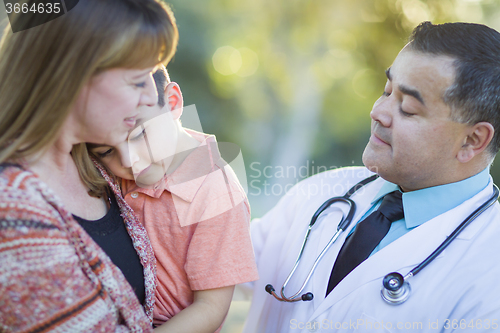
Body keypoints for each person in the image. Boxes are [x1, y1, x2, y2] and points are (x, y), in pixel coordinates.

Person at [242, 21, 500, 333]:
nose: (377, 111)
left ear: (472, 140)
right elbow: (210, 260)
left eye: (407, 108)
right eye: (386, 90)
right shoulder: (321, 193)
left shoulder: (489, 273)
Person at [0, 1, 178, 332]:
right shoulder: (13, 209)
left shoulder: (92, 162)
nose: (147, 98)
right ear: (73, 75)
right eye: (138, 81)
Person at [85, 66, 259, 333]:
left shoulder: (215, 191)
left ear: (173, 102)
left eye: (140, 134)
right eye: (107, 151)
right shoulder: (116, 168)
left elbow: (211, 307)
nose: (128, 161)